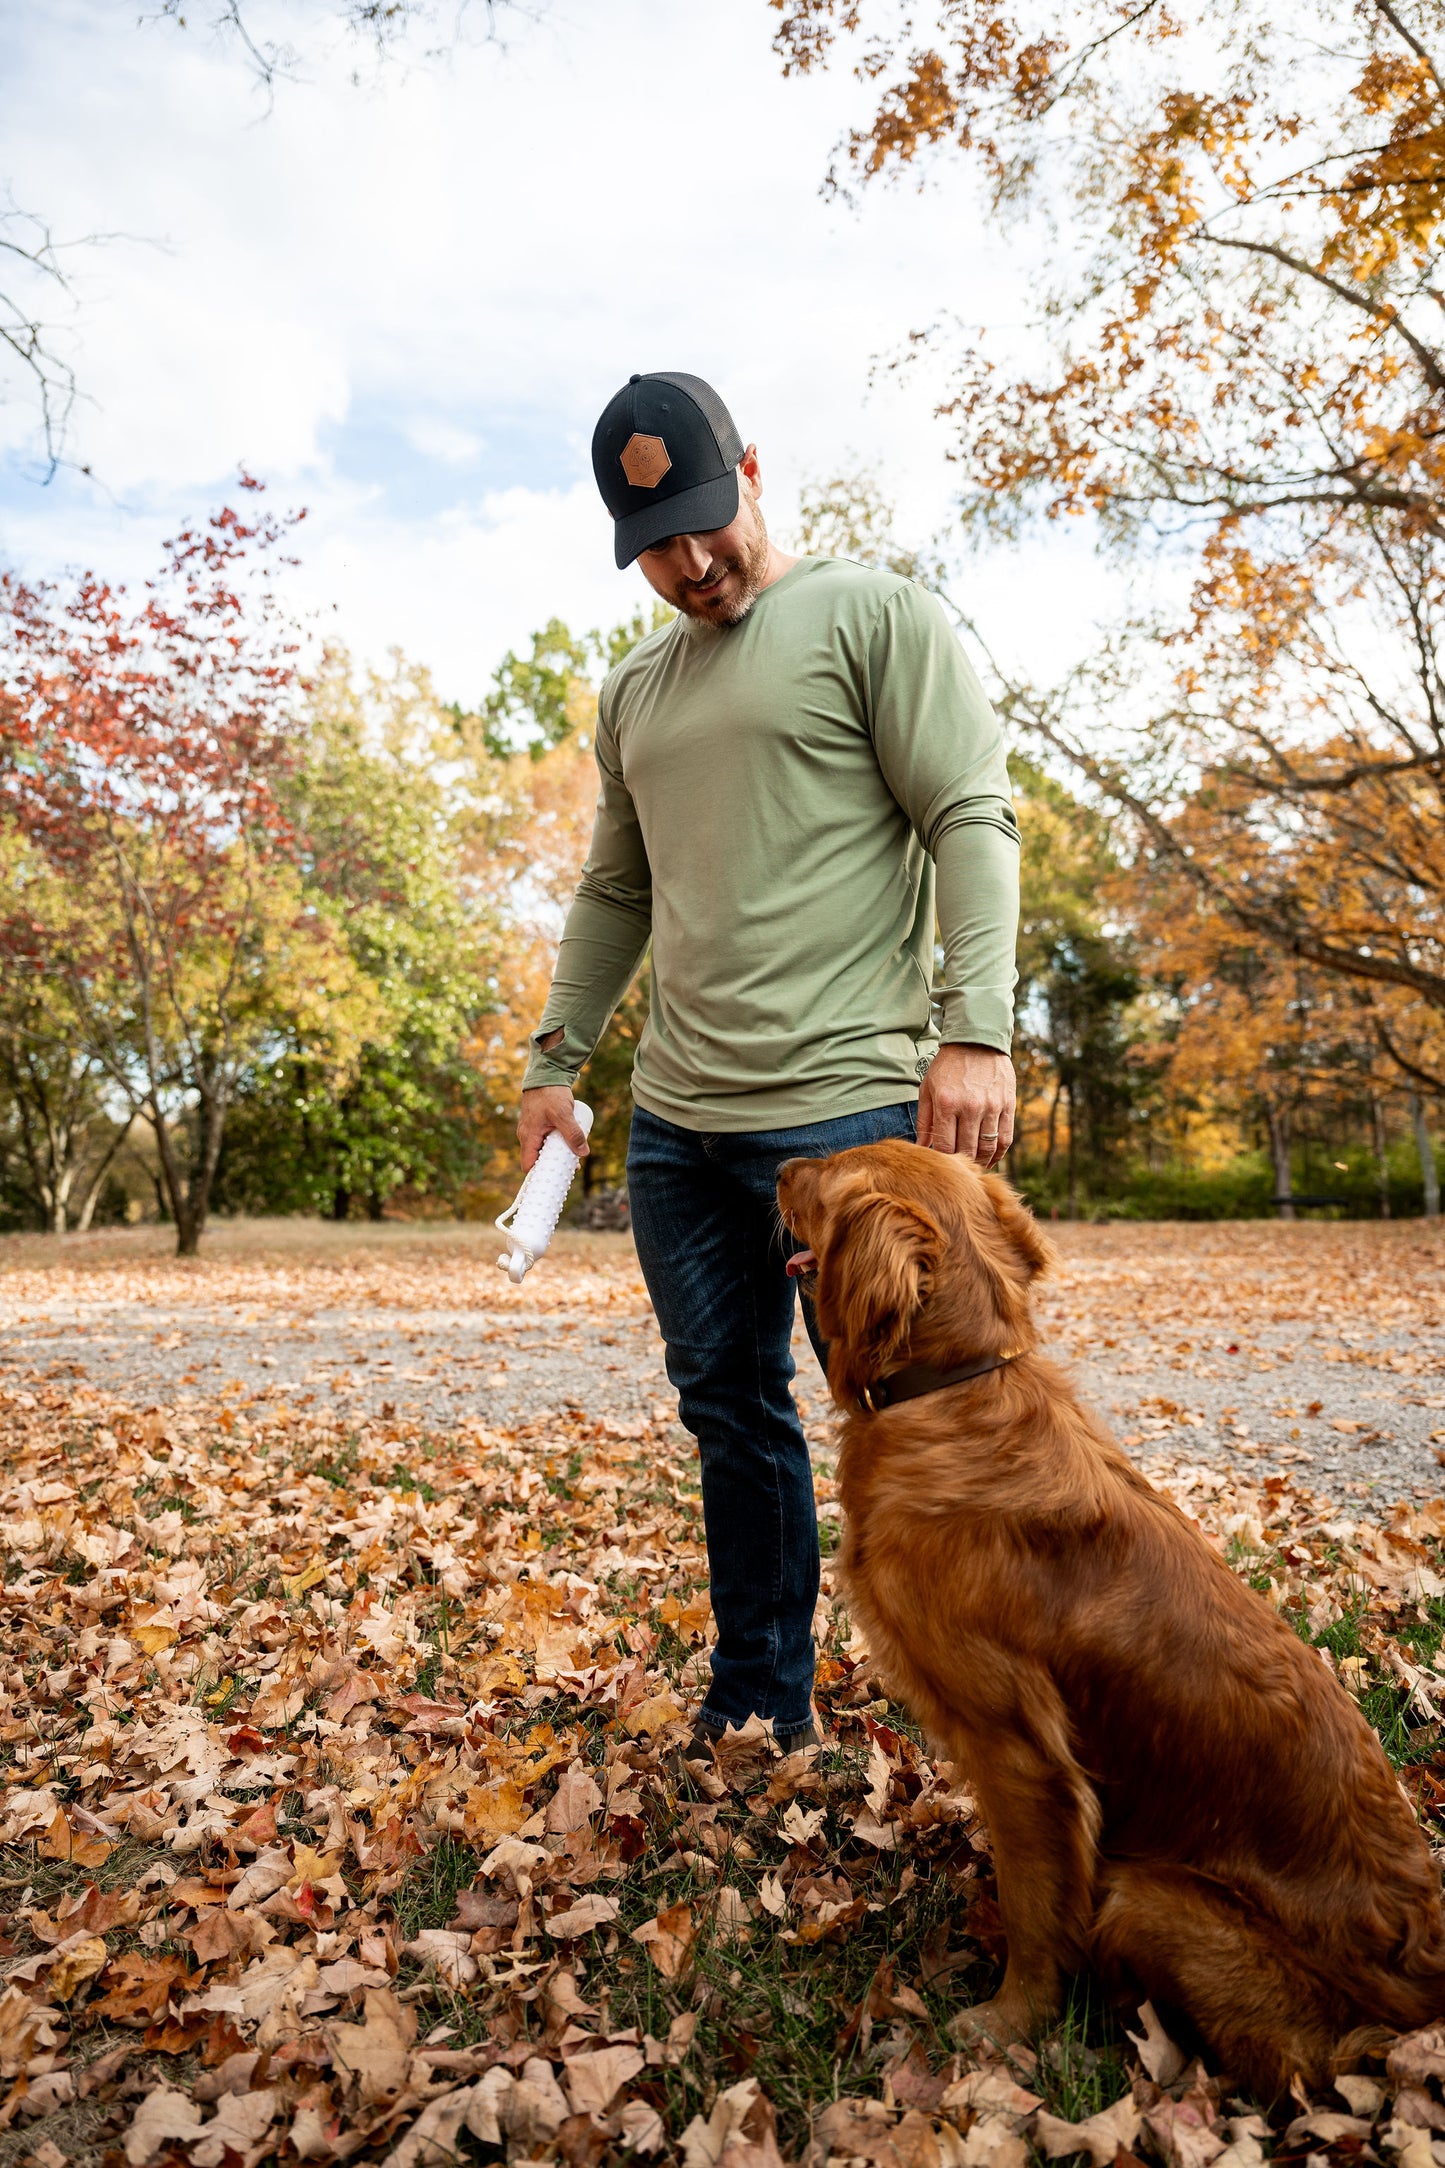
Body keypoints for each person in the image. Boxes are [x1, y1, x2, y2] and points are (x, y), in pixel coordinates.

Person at [518, 371, 1020, 1754]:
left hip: (851, 1113)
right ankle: (759, 1698)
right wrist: (554, 1061)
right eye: (652, 546)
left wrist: (973, 1029)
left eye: (700, 524)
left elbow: (969, 814)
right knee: (731, 1418)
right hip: (677, 1131)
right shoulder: (633, 692)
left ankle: (995, 1706)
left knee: (929, 1414)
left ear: (746, 468)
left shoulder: (871, 616)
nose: (689, 565)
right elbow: (614, 896)